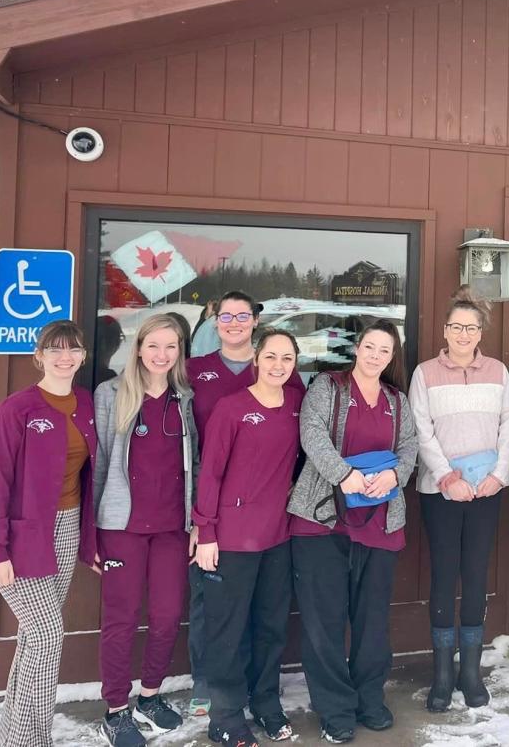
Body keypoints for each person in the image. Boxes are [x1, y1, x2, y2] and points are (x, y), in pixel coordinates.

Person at [287, 320, 417, 742]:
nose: (376, 355)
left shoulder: (397, 400)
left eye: (385, 350)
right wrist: (342, 474)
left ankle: (368, 698)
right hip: (323, 519)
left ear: (391, 357)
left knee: (371, 620)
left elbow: (410, 446)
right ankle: (335, 708)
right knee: (324, 621)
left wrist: (396, 475)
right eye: (370, 347)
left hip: (379, 521)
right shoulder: (328, 386)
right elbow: (312, 433)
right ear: (357, 348)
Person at [0, 320, 99, 747]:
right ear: (40, 356)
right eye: (55, 349)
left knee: (34, 639)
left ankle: (12, 740)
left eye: (73, 349)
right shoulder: (17, 409)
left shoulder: (85, 403)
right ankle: (35, 740)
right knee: (48, 634)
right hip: (23, 536)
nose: (64, 357)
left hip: (67, 526)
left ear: (83, 356)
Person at [185, 291, 304, 716]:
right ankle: (220, 702)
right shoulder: (209, 385)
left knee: (268, 619)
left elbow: (305, 446)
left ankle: (263, 698)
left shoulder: (294, 396)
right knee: (220, 617)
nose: (277, 365)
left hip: (273, 526)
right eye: (225, 314)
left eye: (286, 359)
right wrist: (206, 527)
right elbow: (210, 467)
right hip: (220, 518)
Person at [410, 286, 509, 712]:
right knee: (443, 575)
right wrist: (445, 477)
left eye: (470, 328)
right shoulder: (424, 373)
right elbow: (421, 430)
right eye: (455, 327)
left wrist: (498, 476)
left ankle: (470, 671)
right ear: (445, 331)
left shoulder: (497, 371)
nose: (462, 334)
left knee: (475, 575)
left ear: (480, 333)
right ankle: (441, 674)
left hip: (485, 491)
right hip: (441, 492)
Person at [92, 314, 198, 746]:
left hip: (172, 526)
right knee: (120, 618)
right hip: (122, 527)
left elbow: (196, 465)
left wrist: (195, 524)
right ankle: (116, 709)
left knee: (168, 615)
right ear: (138, 348)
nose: (161, 355)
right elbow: (98, 463)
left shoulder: (185, 398)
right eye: (153, 346)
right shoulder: (112, 393)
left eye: (170, 347)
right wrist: (92, 533)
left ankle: (149, 697)